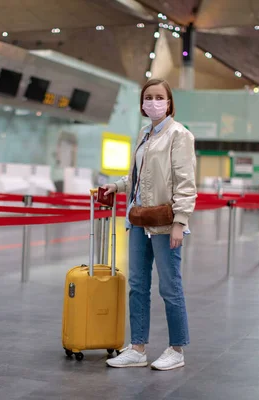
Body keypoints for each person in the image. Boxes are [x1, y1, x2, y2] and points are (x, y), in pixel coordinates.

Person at [102, 78, 196, 371]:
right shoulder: (144, 133)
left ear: (169, 103)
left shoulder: (180, 135)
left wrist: (180, 221)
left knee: (170, 287)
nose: (153, 102)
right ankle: (138, 347)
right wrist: (117, 186)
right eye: (148, 97)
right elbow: (138, 178)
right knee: (138, 285)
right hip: (139, 219)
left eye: (159, 97)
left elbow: (185, 183)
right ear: (142, 103)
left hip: (166, 222)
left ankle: (176, 349)